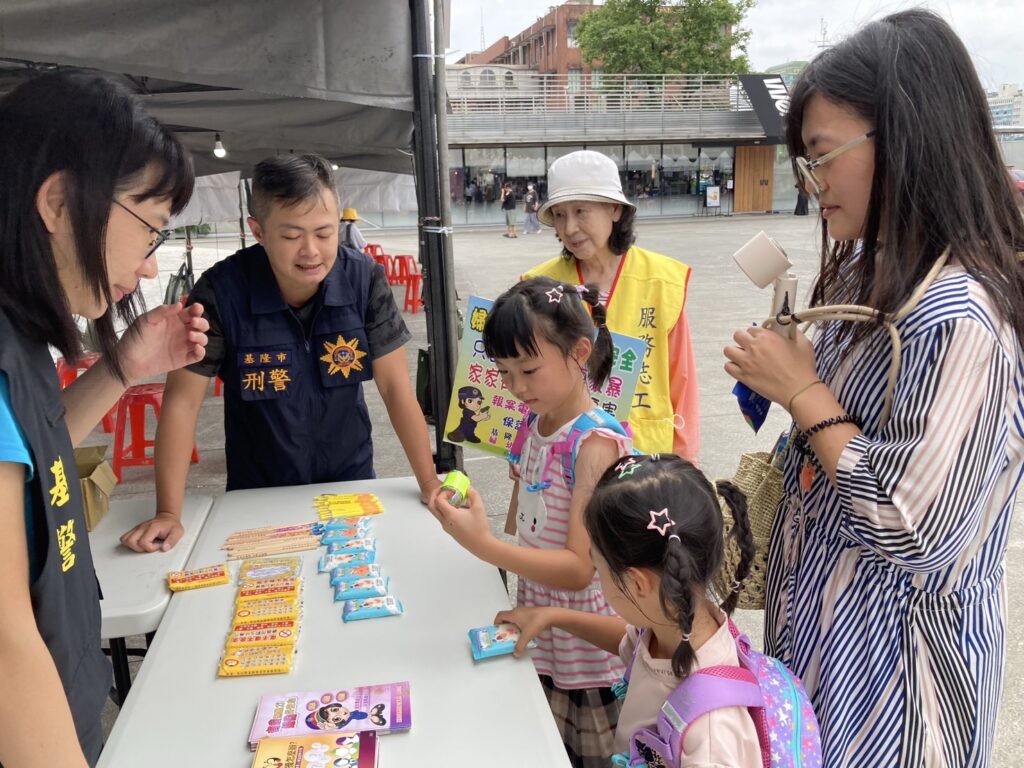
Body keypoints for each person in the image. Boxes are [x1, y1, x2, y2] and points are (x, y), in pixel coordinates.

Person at [723, 10, 1024, 765]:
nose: (810, 183)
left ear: (905, 137)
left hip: (898, 693)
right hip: (825, 654)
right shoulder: (873, 269)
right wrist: (786, 367)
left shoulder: (961, 313)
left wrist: (801, 392)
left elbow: (918, 527)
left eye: (821, 155)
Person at [0, 70, 208, 766]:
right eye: (149, 230)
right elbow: (4, 644)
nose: (149, 269)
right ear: (59, 201)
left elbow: (34, 446)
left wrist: (122, 368)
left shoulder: (18, 336)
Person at [121, 154, 440, 554]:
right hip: (258, 495)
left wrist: (429, 484)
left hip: (349, 484)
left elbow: (395, 388)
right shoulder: (222, 293)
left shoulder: (363, 280)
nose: (311, 251)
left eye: (324, 234)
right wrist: (169, 512)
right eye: (291, 236)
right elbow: (182, 403)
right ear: (258, 230)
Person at [430, 277, 633, 767]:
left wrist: (481, 547)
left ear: (580, 351)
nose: (517, 387)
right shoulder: (534, 423)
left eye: (529, 369)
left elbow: (579, 568)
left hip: (590, 658)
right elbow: (527, 519)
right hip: (546, 636)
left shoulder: (595, 443)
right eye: (504, 372)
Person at [495, 454, 772, 767]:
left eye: (598, 568)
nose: (598, 580)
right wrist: (553, 616)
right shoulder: (679, 621)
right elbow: (634, 644)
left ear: (637, 583)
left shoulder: (712, 737)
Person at [524, 150, 699, 460]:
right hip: (564, 456)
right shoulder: (538, 284)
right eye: (560, 215)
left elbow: (681, 382)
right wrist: (522, 449)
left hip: (646, 458)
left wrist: (687, 462)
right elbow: (523, 374)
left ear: (615, 209)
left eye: (581, 211)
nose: (570, 228)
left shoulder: (661, 280)